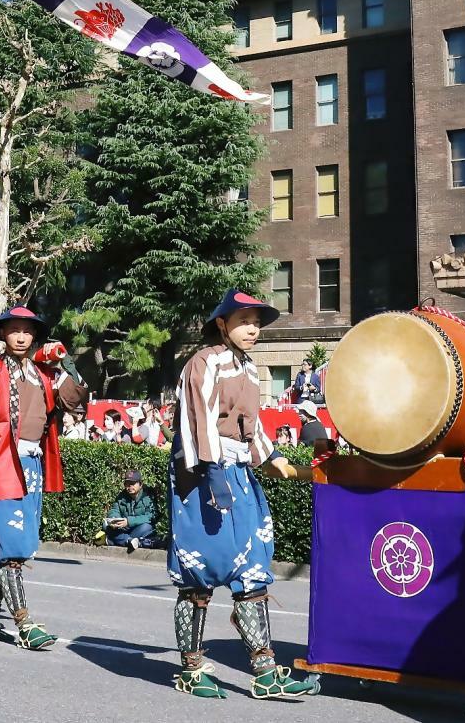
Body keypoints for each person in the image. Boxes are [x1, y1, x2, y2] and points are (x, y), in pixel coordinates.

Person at [166, 291, 315, 700]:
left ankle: (265, 671)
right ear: (222, 323)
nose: (252, 328)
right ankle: (191, 669)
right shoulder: (205, 361)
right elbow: (196, 419)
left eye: (256, 321)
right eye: (243, 319)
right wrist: (212, 472)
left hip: (238, 474)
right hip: (200, 475)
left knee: (252, 569)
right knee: (198, 574)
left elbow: (256, 433)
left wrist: (288, 464)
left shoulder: (250, 370)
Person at [0, 305, 90, 650]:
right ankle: (24, 623)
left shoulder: (43, 375)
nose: (20, 336)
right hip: (1, 464)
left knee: (8, 548)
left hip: (32, 467)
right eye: (13, 329)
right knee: (12, 548)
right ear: (2, 333)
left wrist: (68, 366)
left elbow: (75, 402)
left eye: (27, 331)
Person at [100, 469, 156, 551]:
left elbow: (150, 517)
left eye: (133, 483)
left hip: (137, 528)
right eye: (127, 484)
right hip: (123, 528)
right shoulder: (122, 496)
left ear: (140, 484)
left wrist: (129, 522)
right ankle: (129, 541)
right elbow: (114, 509)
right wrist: (115, 519)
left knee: (147, 527)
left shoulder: (148, 497)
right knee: (108, 527)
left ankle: (117, 540)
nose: (129, 487)